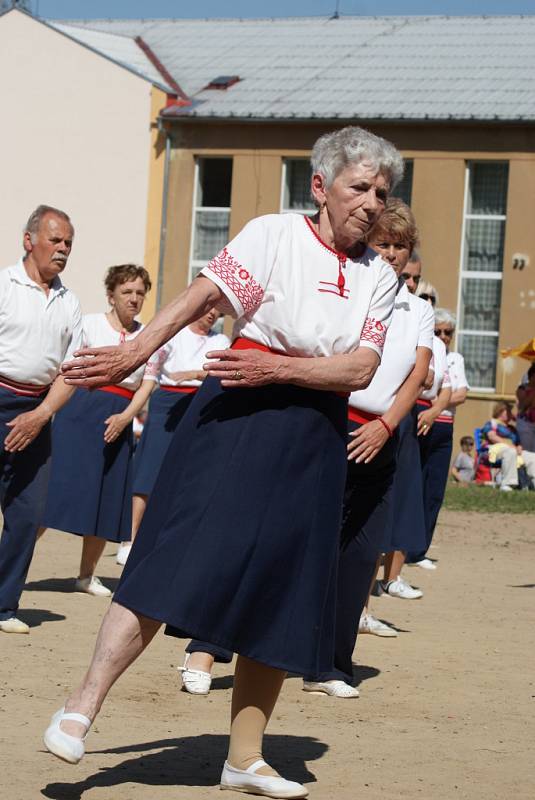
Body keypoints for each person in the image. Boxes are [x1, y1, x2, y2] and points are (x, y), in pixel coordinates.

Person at [43, 125, 402, 800]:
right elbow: (204, 297)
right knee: (173, 557)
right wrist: (135, 348)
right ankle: (81, 706)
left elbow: (358, 367)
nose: (371, 202)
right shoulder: (273, 234)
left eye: (381, 192)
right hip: (236, 410)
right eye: (359, 187)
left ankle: (244, 757)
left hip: (312, 433)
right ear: (321, 187)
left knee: (283, 586)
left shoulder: (377, 276)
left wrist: (284, 368)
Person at [300, 198, 434, 697]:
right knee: (306, 545)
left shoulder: (419, 309)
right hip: (330, 427)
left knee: (359, 556)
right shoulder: (350, 288)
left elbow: (417, 374)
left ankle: (331, 665)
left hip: (381, 435)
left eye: (401, 245)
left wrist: (387, 426)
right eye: (384, 243)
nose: (394, 253)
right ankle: (229, 646)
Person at [41, 265, 157, 596]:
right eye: (127, 292)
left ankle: (85, 575)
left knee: (105, 499)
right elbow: (69, 366)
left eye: (139, 293)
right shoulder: (89, 324)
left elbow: (147, 383)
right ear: (111, 295)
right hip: (79, 413)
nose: (134, 299)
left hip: (119, 417)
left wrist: (126, 417)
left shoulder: (147, 335)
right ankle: (14, 566)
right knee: (52, 494)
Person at [0, 205, 82, 634]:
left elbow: (70, 370)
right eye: (56, 239)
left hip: (37, 409)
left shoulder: (70, 303)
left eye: (69, 242)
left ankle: (3, 605)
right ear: (29, 240)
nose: (64, 248)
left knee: (28, 513)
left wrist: (42, 414)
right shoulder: (4, 285)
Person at [123, 308, 230, 569]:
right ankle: (129, 540)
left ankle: (165, 541)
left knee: (187, 473)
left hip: (200, 401)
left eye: (218, 312)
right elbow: (153, 367)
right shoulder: (176, 334)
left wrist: (194, 374)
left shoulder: (221, 341)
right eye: (209, 309)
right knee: (148, 470)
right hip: (167, 402)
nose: (212, 315)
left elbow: (221, 370)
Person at [405, 286, 453, 572]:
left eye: (432, 299)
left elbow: (446, 388)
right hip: (409, 408)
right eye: (425, 298)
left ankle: (414, 551)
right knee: (408, 485)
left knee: (429, 489)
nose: (428, 303)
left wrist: (435, 411)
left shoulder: (440, 347)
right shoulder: (409, 329)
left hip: (431, 414)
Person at [480, 401, 535, 490]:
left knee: (532, 457)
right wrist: (510, 445)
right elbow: (492, 436)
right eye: (508, 411)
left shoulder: (511, 428)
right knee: (510, 451)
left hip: (512, 451)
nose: (511, 413)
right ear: (500, 411)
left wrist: (519, 447)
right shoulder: (492, 423)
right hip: (494, 450)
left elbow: (518, 443)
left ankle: (533, 483)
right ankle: (508, 484)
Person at [516, 364, 535, 451]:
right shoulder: (522, 388)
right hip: (526, 424)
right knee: (528, 452)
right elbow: (523, 405)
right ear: (532, 376)